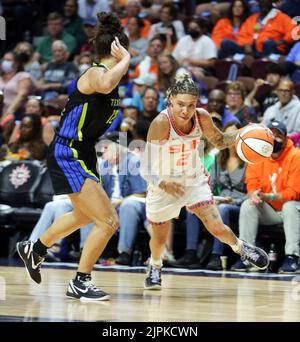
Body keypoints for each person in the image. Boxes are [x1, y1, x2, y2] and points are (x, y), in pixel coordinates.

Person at [16, 12, 130, 301]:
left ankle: (36, 248)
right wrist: (127, 60)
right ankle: (81, 281)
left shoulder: (110, 80)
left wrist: (112, 145)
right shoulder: (94, 74)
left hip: (83, 152)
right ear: (117, 51)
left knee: (84, 214)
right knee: (107, 221)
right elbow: (103, 85)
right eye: (124, 56)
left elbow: (91, 121)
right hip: (68, 152)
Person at [141, 74, 269, 290]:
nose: (185, 110)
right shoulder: (161, 123)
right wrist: (164, 184)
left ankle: (241, 248)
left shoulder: (201, 117)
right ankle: (155, 266)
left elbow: (220, 140)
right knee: (159, 238)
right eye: (181, 104)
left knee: (216, 227)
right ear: (170, 99)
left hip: (192, 179)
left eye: (191, 105)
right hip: (163, 185)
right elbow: (145, 167)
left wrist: (244, 132)